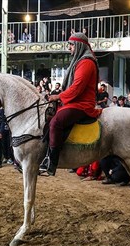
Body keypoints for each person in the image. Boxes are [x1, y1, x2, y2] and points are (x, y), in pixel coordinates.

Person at [39, 33, 102, 176]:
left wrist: (57, 96)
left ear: (79, 46)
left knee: (56, 122)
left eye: (72, 45)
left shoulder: (86, 62)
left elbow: (77, 88)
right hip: (73, 101)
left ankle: (52, 162)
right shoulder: (80, 61)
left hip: (82, 104)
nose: (69, 48)